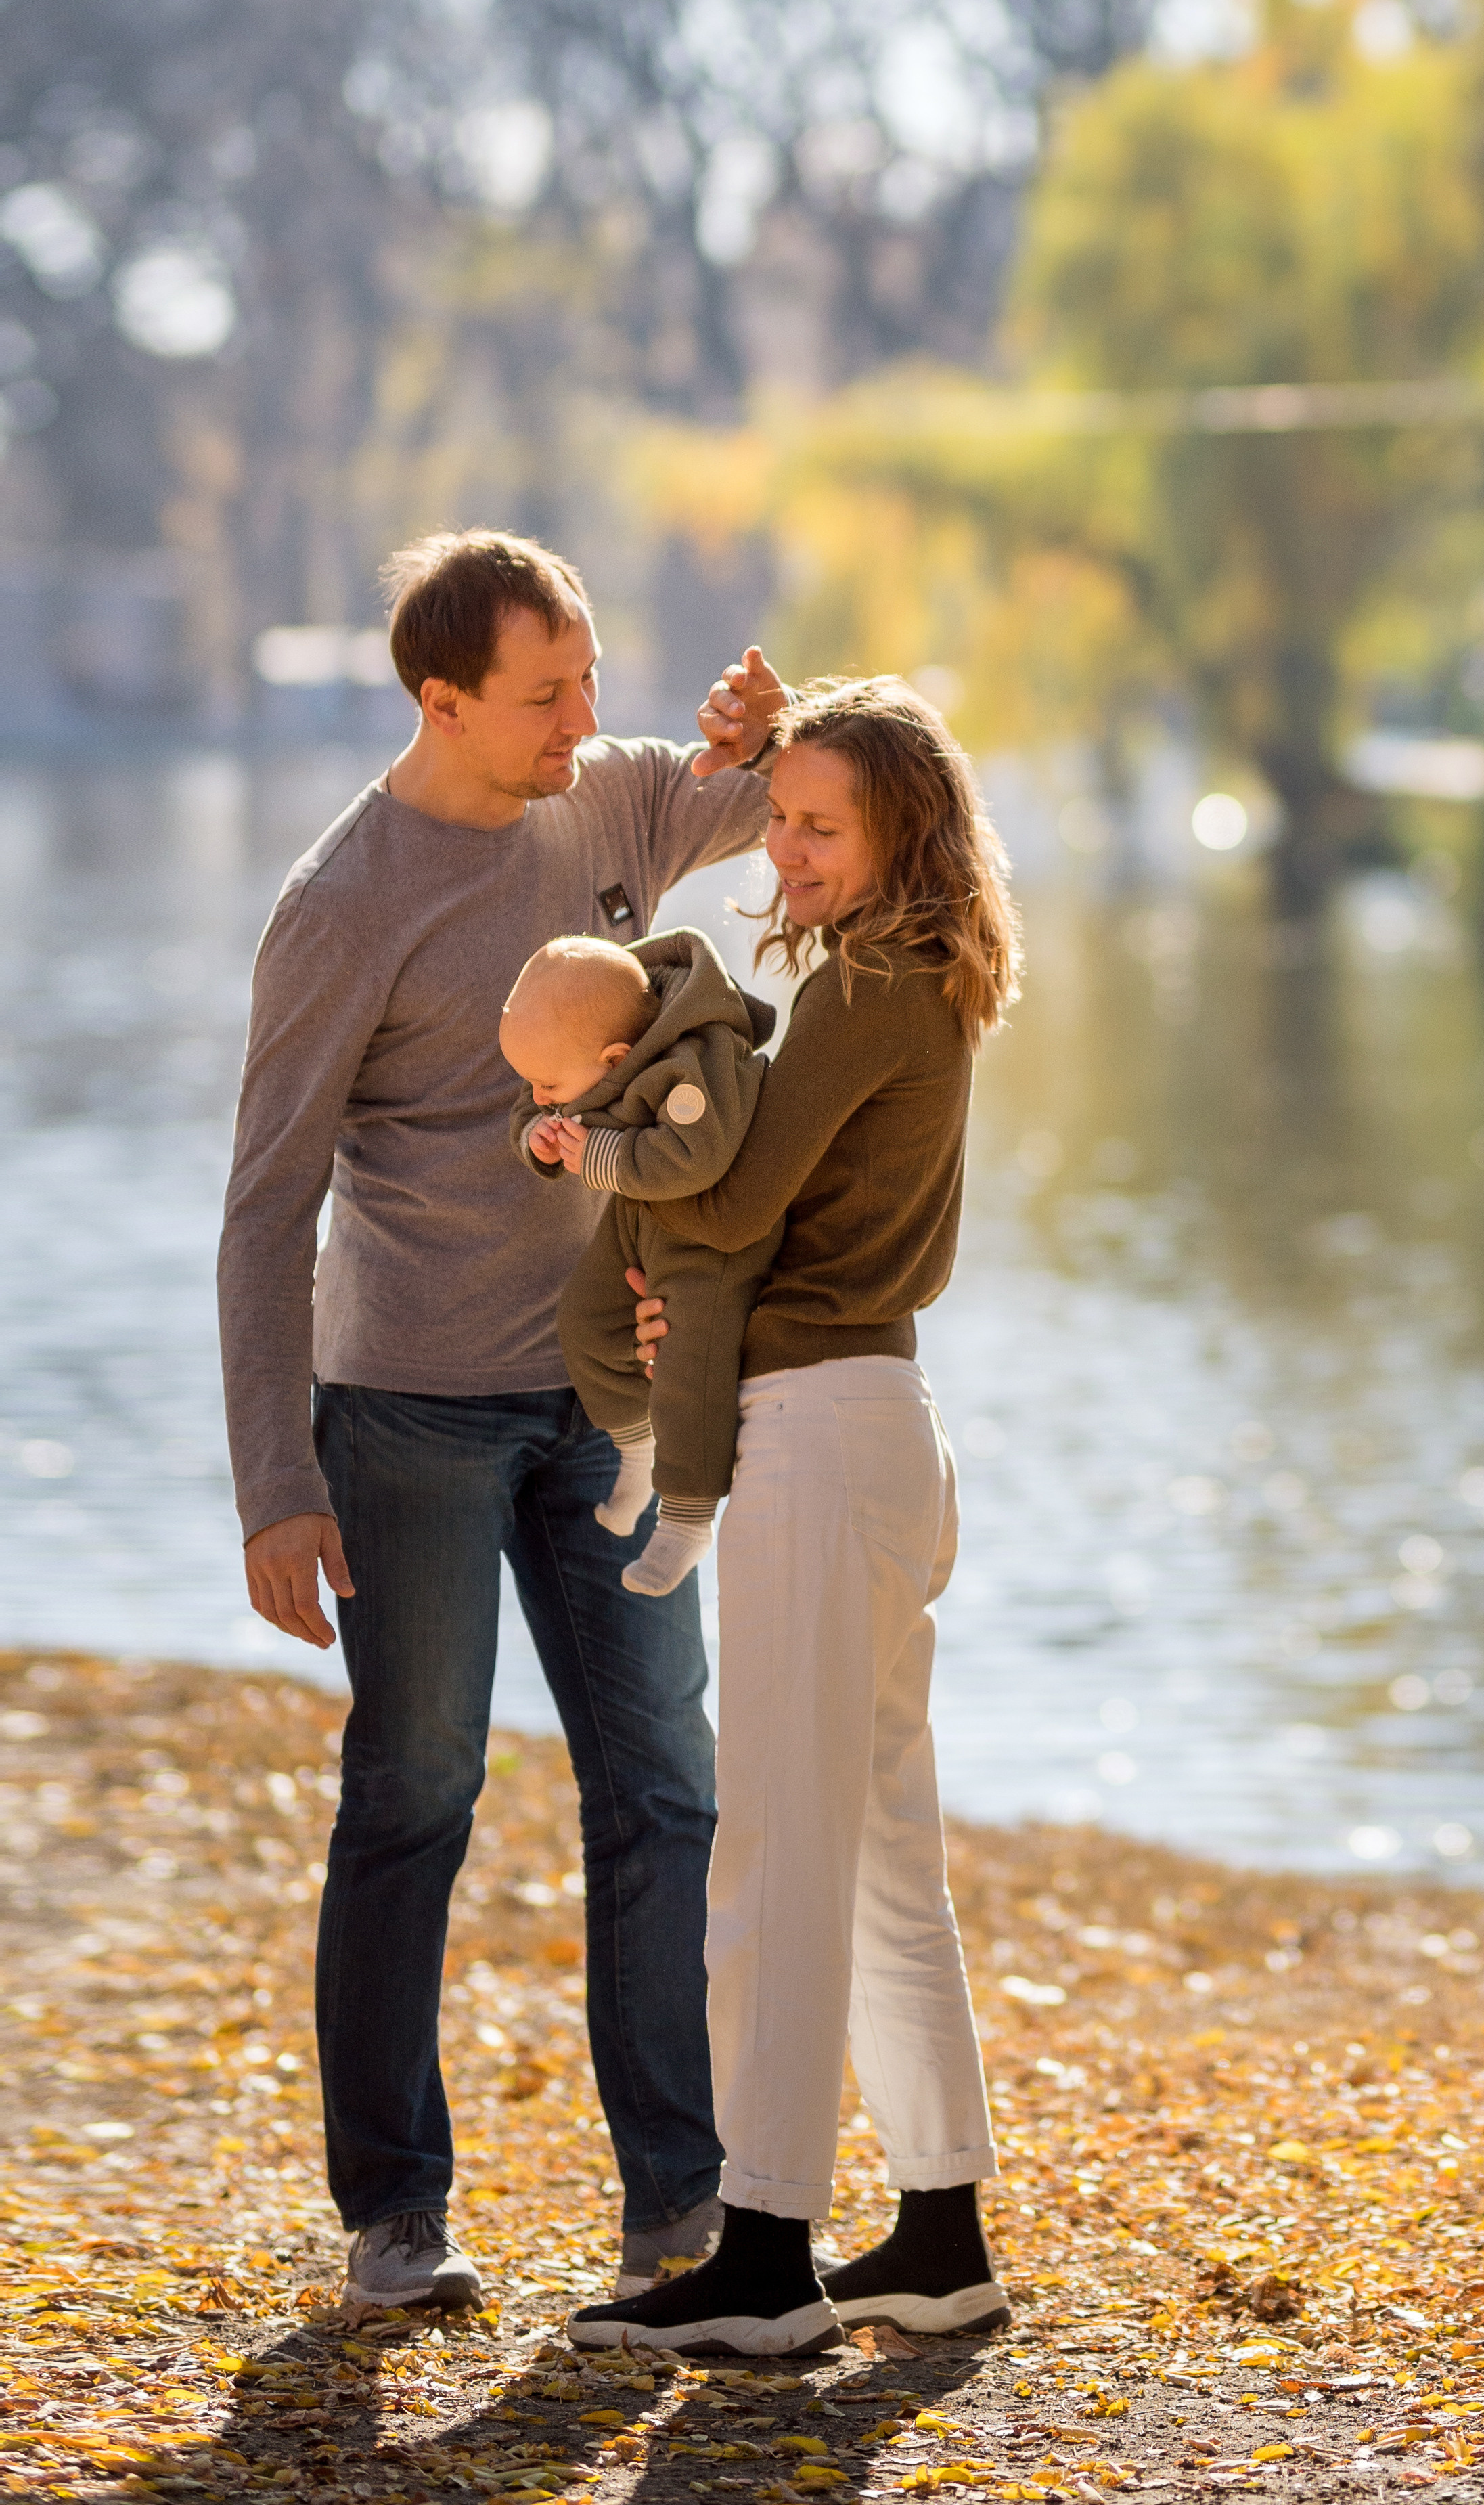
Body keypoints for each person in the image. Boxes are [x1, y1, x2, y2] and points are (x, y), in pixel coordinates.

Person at [217, 527, 787, 2311]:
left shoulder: (607, 799)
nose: (584, 717)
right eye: (548, 693)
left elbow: (799, 805)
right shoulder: (341, 904)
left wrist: (767, 726)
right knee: (415, 1790)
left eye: (592, 675)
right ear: (440, 698)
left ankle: (678, 2207)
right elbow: (266, 1204)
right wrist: (274, 1479)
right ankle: (394, 2210)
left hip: (604, 1402)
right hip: (408, 1411)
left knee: (667, 1788)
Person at [559, 675, 1023, 2359]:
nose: (789, 848)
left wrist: (606, 1164)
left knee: (770, 1847)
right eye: (780, 817)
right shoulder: (922, 978)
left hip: (819, 1436)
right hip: (878, 1424)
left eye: (824, 824)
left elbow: (735, 1194)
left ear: (905, 831)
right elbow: (769, 1208)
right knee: (883, 1848)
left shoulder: (862, 986)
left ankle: (761, 2248)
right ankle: (939, 2232)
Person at [499, 926, 782, 1595]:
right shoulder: (587, 1049)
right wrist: (535, 1135)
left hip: (705, 1229)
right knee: (587, 1318)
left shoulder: (695, 1059)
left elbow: (697, 1155)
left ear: (615, 1058)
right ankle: (635, 1445)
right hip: (639, 1210)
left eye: (547, 1085)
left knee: (688, 1356)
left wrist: (602, 1154)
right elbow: (538, 1100)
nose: (540, 1094)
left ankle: (686, 1515)